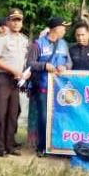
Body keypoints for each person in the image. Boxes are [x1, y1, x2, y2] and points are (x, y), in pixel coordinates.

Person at [25, 17, 72, 157]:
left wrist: (65, 66)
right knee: (44, 117)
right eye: (63, 27)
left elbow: (69, 62)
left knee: (58, 118)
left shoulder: (64, 44)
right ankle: (42, 147)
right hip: (43, 87)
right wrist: (44, 66)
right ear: (55, 29)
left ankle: (57, 146)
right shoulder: (38, 44)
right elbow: (30, 63)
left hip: (59, 89)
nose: (65, 30)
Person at [0, 8, 29, 157]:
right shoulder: (2, 38)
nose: (16, 23)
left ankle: (10, 145)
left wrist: (25, 73)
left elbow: (25, 61)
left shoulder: (24, 39)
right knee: (0, 113)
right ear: (8, 22)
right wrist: (12, 70)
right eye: (14, 20)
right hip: (2, 79)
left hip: (16, 80)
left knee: (13, 113)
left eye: (19, 20)